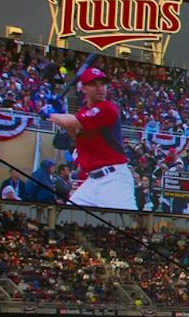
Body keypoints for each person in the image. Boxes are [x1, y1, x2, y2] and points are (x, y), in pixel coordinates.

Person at [45, 65, 136, 209]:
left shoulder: (107, 108)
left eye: (102, 84)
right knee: (67, 216)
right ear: (84, 88)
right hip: (93, 180)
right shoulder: (85, 111)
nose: (100, 88)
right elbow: (74, 134)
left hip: (114, 178)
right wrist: (60, 111)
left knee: (125, 224)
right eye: (93, 84)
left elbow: (71, 122)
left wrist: (49, 114)